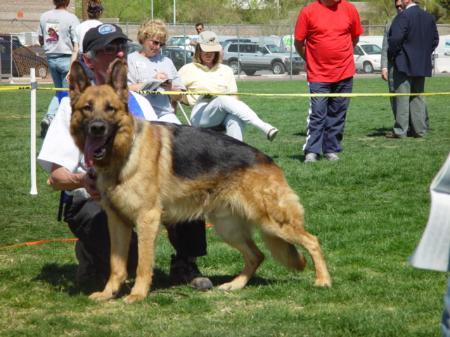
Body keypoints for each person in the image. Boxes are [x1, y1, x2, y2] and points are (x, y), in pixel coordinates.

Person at [37, 23, 213, 291]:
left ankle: (185, 263)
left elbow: (171, 148)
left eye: (121, 47)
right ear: (88, 60)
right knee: (128, 261)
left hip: (140, 194)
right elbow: (56, 175)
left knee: (187, 190)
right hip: (92, 199)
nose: (119, 54)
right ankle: (92, 255)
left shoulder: (139, 103)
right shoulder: (69, 108)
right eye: (108, 49)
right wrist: (83, 180)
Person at [294, 0, 364, 163]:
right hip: (319, 75)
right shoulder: (308, 12)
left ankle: (331, 149)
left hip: (344, 73)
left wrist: (342, 56)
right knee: (318, 113)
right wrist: (311, 60)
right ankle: (312, 151)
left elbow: (355, 38)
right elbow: (299, 42)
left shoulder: (349, 9)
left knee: (338, 113)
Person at [178, 31, 278, 142]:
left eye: (212, 51)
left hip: (223, 111)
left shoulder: (226, 70)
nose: (209, 54)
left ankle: (237, 156)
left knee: (235, 118)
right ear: (198, 50)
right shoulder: (187, 69)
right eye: (205, 50)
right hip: (200, 115)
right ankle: (264, 127)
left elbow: (234, 98)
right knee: (222, 99)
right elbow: (175, 94)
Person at [386, 0, 439, 138]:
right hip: (421, 64)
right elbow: (435, 40)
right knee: (418, 97)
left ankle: (400, 131)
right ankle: (419, 130)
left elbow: (395, 39)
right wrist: (423, 54)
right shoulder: (429, 17)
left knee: (402, 98)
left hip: (403, 63)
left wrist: (393, 56)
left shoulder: (403, 16)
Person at [38, 0, 80, 138]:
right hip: (67, 58)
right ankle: (56, 122)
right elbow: (77, 42)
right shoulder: (71, 18)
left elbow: (41, 39)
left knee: (59, 92)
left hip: (51, 58)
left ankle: (49, 118)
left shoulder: (44, 16)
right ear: (67, 2)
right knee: (66, 94)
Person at [127, 19, 182, 124]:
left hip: (165, 114)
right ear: (144, 38)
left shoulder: (167, 62)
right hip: (139, 114)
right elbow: (125, 90)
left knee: (180, 137)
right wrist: (152, 81)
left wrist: (170, 88)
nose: (158, 47)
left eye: (161, 44)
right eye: (155, 42)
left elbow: (179, 96)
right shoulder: (130, 60)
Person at [68, 0, 103, 80]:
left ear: (87, 12)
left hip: (83, 63)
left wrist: (70, 70)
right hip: (98, 62)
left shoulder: (79, 27)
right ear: (100, 12)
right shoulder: (102, 27)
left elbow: (75, 50)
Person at [381, 0, 403, 118]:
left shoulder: (413, 21)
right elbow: (385, 47)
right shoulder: (390, 24)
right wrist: (384, 67)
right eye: (397, 6)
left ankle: (415, 124)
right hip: (392, 68)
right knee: (394, 95)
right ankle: (399, 123)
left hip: (408, 67)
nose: (399, 8)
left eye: (401, 5)